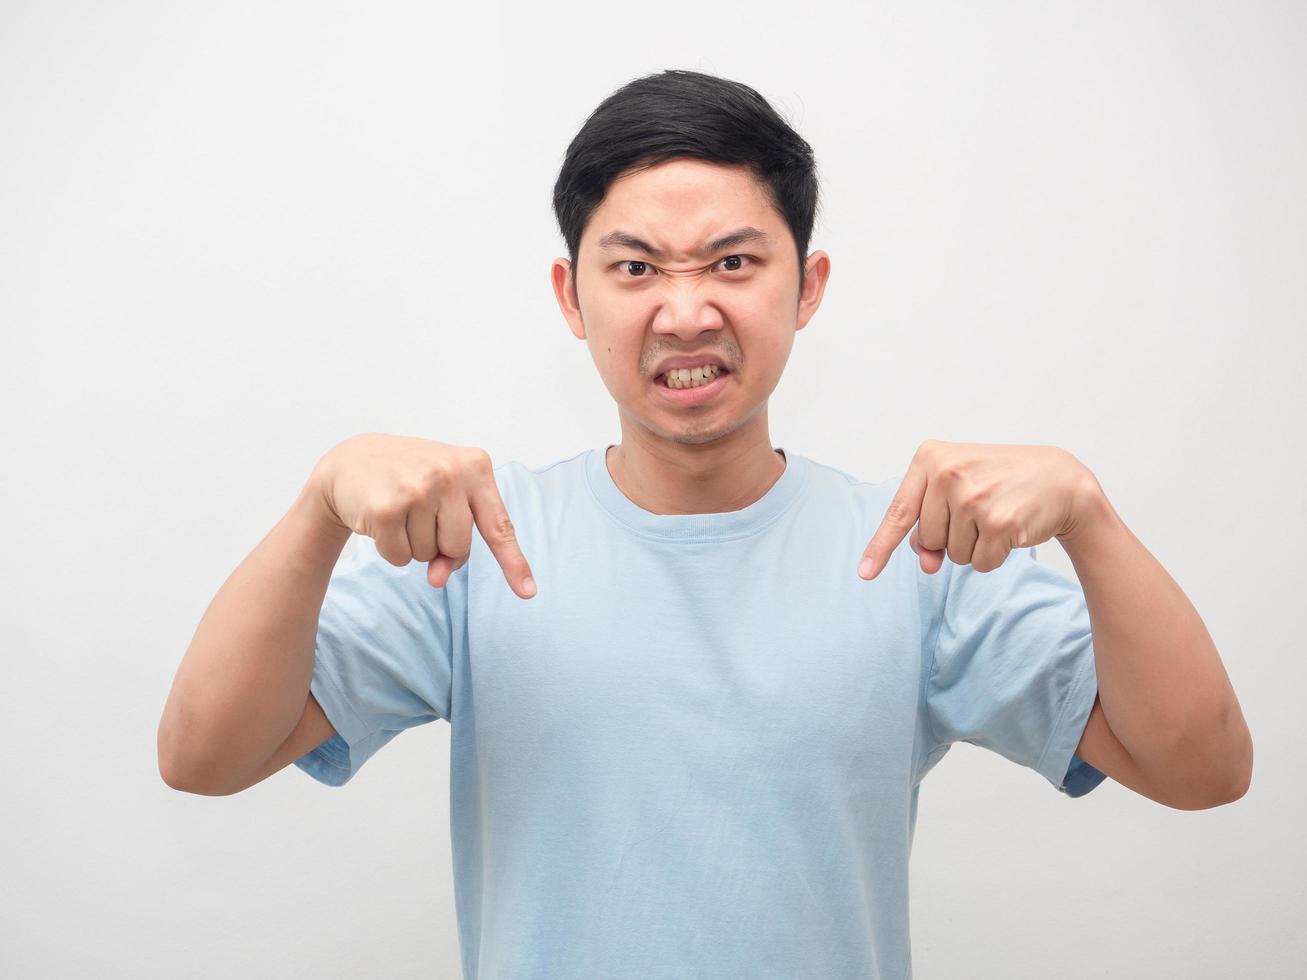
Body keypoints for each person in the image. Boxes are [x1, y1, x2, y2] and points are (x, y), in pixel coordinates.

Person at [158, 69, 1252, 979]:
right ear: (571, 295)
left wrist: (1090, 516)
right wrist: (317, 504)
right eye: (634, 268)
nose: (685, 310)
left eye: (733, 261)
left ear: (804, 284)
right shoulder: (482, 543)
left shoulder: (910, 546)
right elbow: (203, 754)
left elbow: (1200, 765)